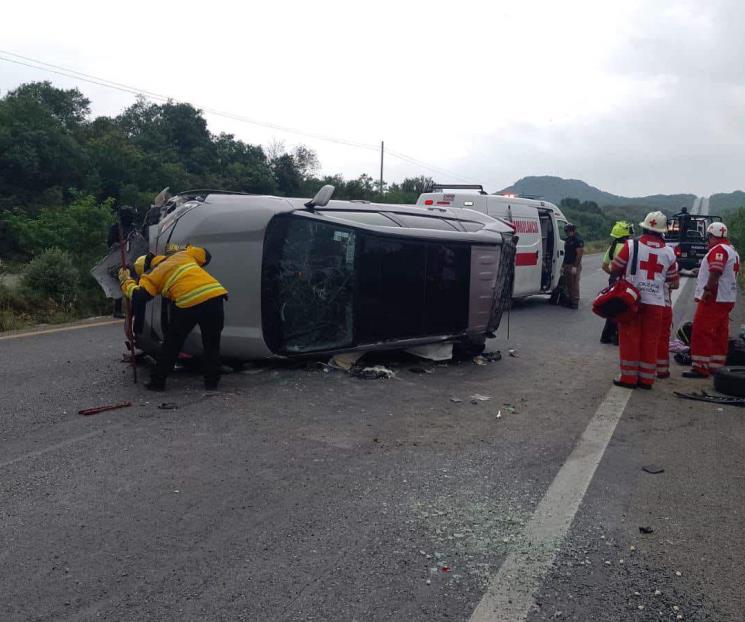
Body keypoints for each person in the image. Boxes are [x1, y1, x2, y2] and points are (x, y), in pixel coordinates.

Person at [119, 245, 228, 391]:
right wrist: (184, 247)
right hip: (215, 295)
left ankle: (157, 382)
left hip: (188, 301)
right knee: (212, 343)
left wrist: (126, 281)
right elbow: (206, 255)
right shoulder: (182, 255)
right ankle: (212, 382)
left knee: (172, 344)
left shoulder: (152, 274)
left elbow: (139, 297)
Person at [610, 211, 679, 389]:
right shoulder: (669, 253)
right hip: (657, 304)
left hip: (633, 301)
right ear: (662, 232)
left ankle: (628, 378)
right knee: (650, 341)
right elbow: (674, 283)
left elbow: (614, 267)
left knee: (629, 339)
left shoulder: (631, 245)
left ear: (645, 228)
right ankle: (646, 379)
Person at [683, 222, 740, 378]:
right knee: (720, 332)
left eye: (708, 237)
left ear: (712, 236)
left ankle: (700, 367)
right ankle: (716, 365)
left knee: (702, 330)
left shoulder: (719, 250)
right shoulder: (732, 250)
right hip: (727, 297)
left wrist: (707, 289)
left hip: (714, 296)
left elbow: (715, 270)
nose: (707, 241)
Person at [600, 221, 633, 344]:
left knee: (612, 307)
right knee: (624, 308)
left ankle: (606, 336)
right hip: (626, 281)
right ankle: (618, 337)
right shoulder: (630, 247)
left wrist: (613, 276)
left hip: (613, 280)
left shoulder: (612, 247)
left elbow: (604, 266)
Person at [108, 206, 137, 318]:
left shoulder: (133, 228)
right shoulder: (116, 228)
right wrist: (122, 244)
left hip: (132, 259)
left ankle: (133, 310)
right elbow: (110, 243)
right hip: (119, 259)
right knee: (118, 284)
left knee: (134, 283)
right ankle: (118, 310)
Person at [562, 223, 584, 309]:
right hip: (567, 264)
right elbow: (566, 254)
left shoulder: (578, 239)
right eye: (566, 231)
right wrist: (563, 265)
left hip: (574, 265)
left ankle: (575, 302)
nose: (568, 232)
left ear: (573, 230)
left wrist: (575, 266)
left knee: (574, 284)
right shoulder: (568, 240)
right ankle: (569, 300)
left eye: (569, 231)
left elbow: (579, 254)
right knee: (568, 284)